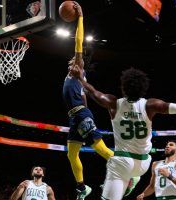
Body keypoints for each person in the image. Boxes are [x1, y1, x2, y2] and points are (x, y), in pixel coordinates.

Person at [70, 66, 176, 200]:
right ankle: (134, 178)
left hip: (122, 162)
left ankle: (128, 180)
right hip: (143, 163)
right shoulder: (150, 105)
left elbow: (93, 92)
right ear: (143, 88)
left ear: (123, 87)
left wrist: (80, 78)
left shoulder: (113, 103)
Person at [62, 2, 114, 199]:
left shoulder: (77, 68)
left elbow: (78, 42)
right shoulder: (76, 79)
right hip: (76, 117)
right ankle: (83, 188)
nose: (72, 60)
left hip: (80, 114)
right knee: (71, 154)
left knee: (99, 148)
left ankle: (129, 173)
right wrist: (85, 109)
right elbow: (85, 98)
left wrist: (81, 17)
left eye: (75, 60)